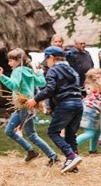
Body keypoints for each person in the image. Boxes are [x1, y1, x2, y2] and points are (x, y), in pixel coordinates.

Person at [25, 46, 84, 174]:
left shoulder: (53, 70)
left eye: (47, 60)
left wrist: (35, 99)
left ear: (51, 58)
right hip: (78, 104)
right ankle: (73, 166)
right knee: (70, 134)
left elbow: (50, 89)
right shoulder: (72, 70)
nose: (47, 63)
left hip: (65, 104)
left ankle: (71, 156)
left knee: (53, 131)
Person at [0, 48, 58, 165]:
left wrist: (2, 76)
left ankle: (52, 156)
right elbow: (42, 82)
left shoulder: (17, 71)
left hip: (23, 106)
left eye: (11, 61)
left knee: (31, 135)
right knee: (9, 131)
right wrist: (39, 72)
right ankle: (31, 151)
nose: (9, 63)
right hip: (24, 106)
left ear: (18, 60)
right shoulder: (29, 71)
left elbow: (14, 85)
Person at [75, 68, 101, 154]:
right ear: (99, 77)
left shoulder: (91, 85)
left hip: (90, 109)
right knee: (89, 133)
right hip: (91, 111)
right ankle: (71, 147)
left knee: (97, 131)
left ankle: (93, 150)